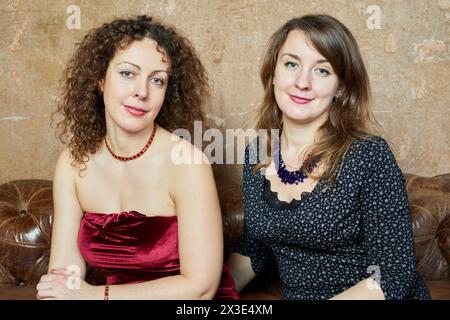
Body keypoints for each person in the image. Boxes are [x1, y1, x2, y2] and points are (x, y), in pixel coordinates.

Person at [227, 14, 431, 300]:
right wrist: (201, 295)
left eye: (322, 71)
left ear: (342, 88)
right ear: (273, 73)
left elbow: (392, 274)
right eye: (291, 64)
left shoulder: (369, 155)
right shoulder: (257, 153)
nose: (302, 82)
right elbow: (255, 249)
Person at [36, 15, 238, 300]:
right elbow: (64, 274)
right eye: (128, 73)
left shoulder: (187, 163)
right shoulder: (73, 162)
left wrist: (96, 296)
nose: (141, 92)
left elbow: (201, 288)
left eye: (157, 80)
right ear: (99, 79)